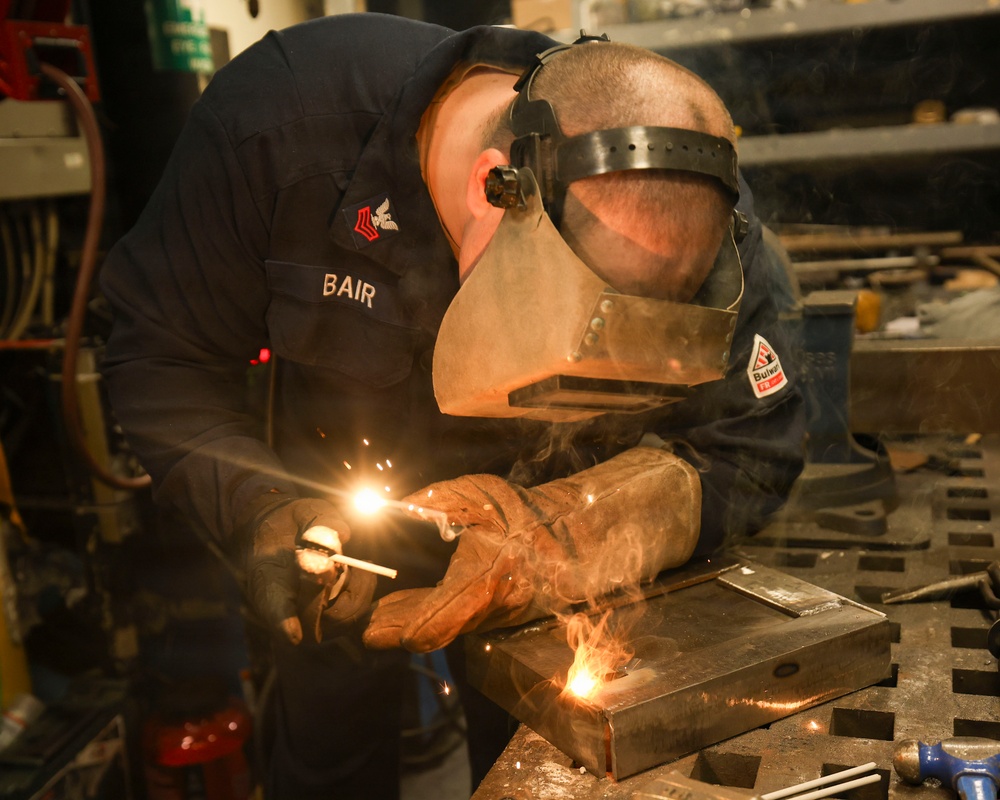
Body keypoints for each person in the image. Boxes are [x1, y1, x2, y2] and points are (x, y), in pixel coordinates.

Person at [98, 12, 805, 800]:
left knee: (537, 762)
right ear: (493, 190)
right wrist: (256, 505)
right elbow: (161, 358)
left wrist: (563, 534)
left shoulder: (697, 219)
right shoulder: (283, 126)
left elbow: (757, 443)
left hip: (538, 575)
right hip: (328, 521)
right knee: (328, 748)